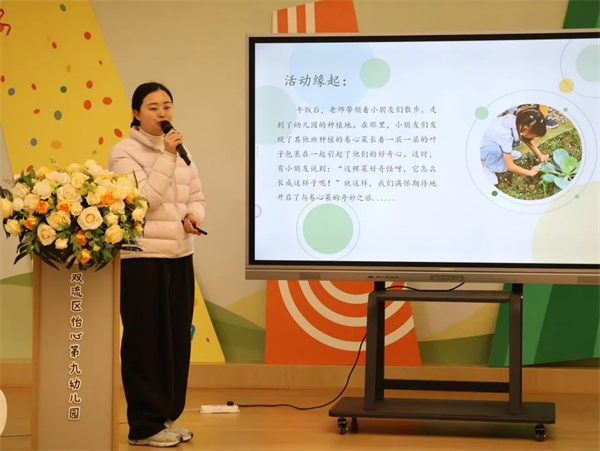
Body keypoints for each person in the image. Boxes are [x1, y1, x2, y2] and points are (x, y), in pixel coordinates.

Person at [109, 82, 206, 447]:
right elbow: (143, 201)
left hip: (180, 254)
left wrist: (193, 216)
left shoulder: (182, 151)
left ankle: (166, 417)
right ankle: (144, 426)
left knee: (176, 340)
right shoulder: (123, 153)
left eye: (167, 105)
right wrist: (166, 156)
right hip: (143, 258)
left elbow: (196, 196)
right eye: (153, 107)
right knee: (146, 342)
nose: (162, 112)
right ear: (136, 113)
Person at [480, 107, 550, 185]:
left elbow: (527, 139)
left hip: (490, 141)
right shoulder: (505, 135)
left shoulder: (517, 122)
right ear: (525, 129)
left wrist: (539, 155)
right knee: (499, 157)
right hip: (481, 149)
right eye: (533, 136)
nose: (533, 139)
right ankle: (487, 166)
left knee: (505, 150)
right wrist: (530, 172)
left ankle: (503, 153)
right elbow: (510, 167)